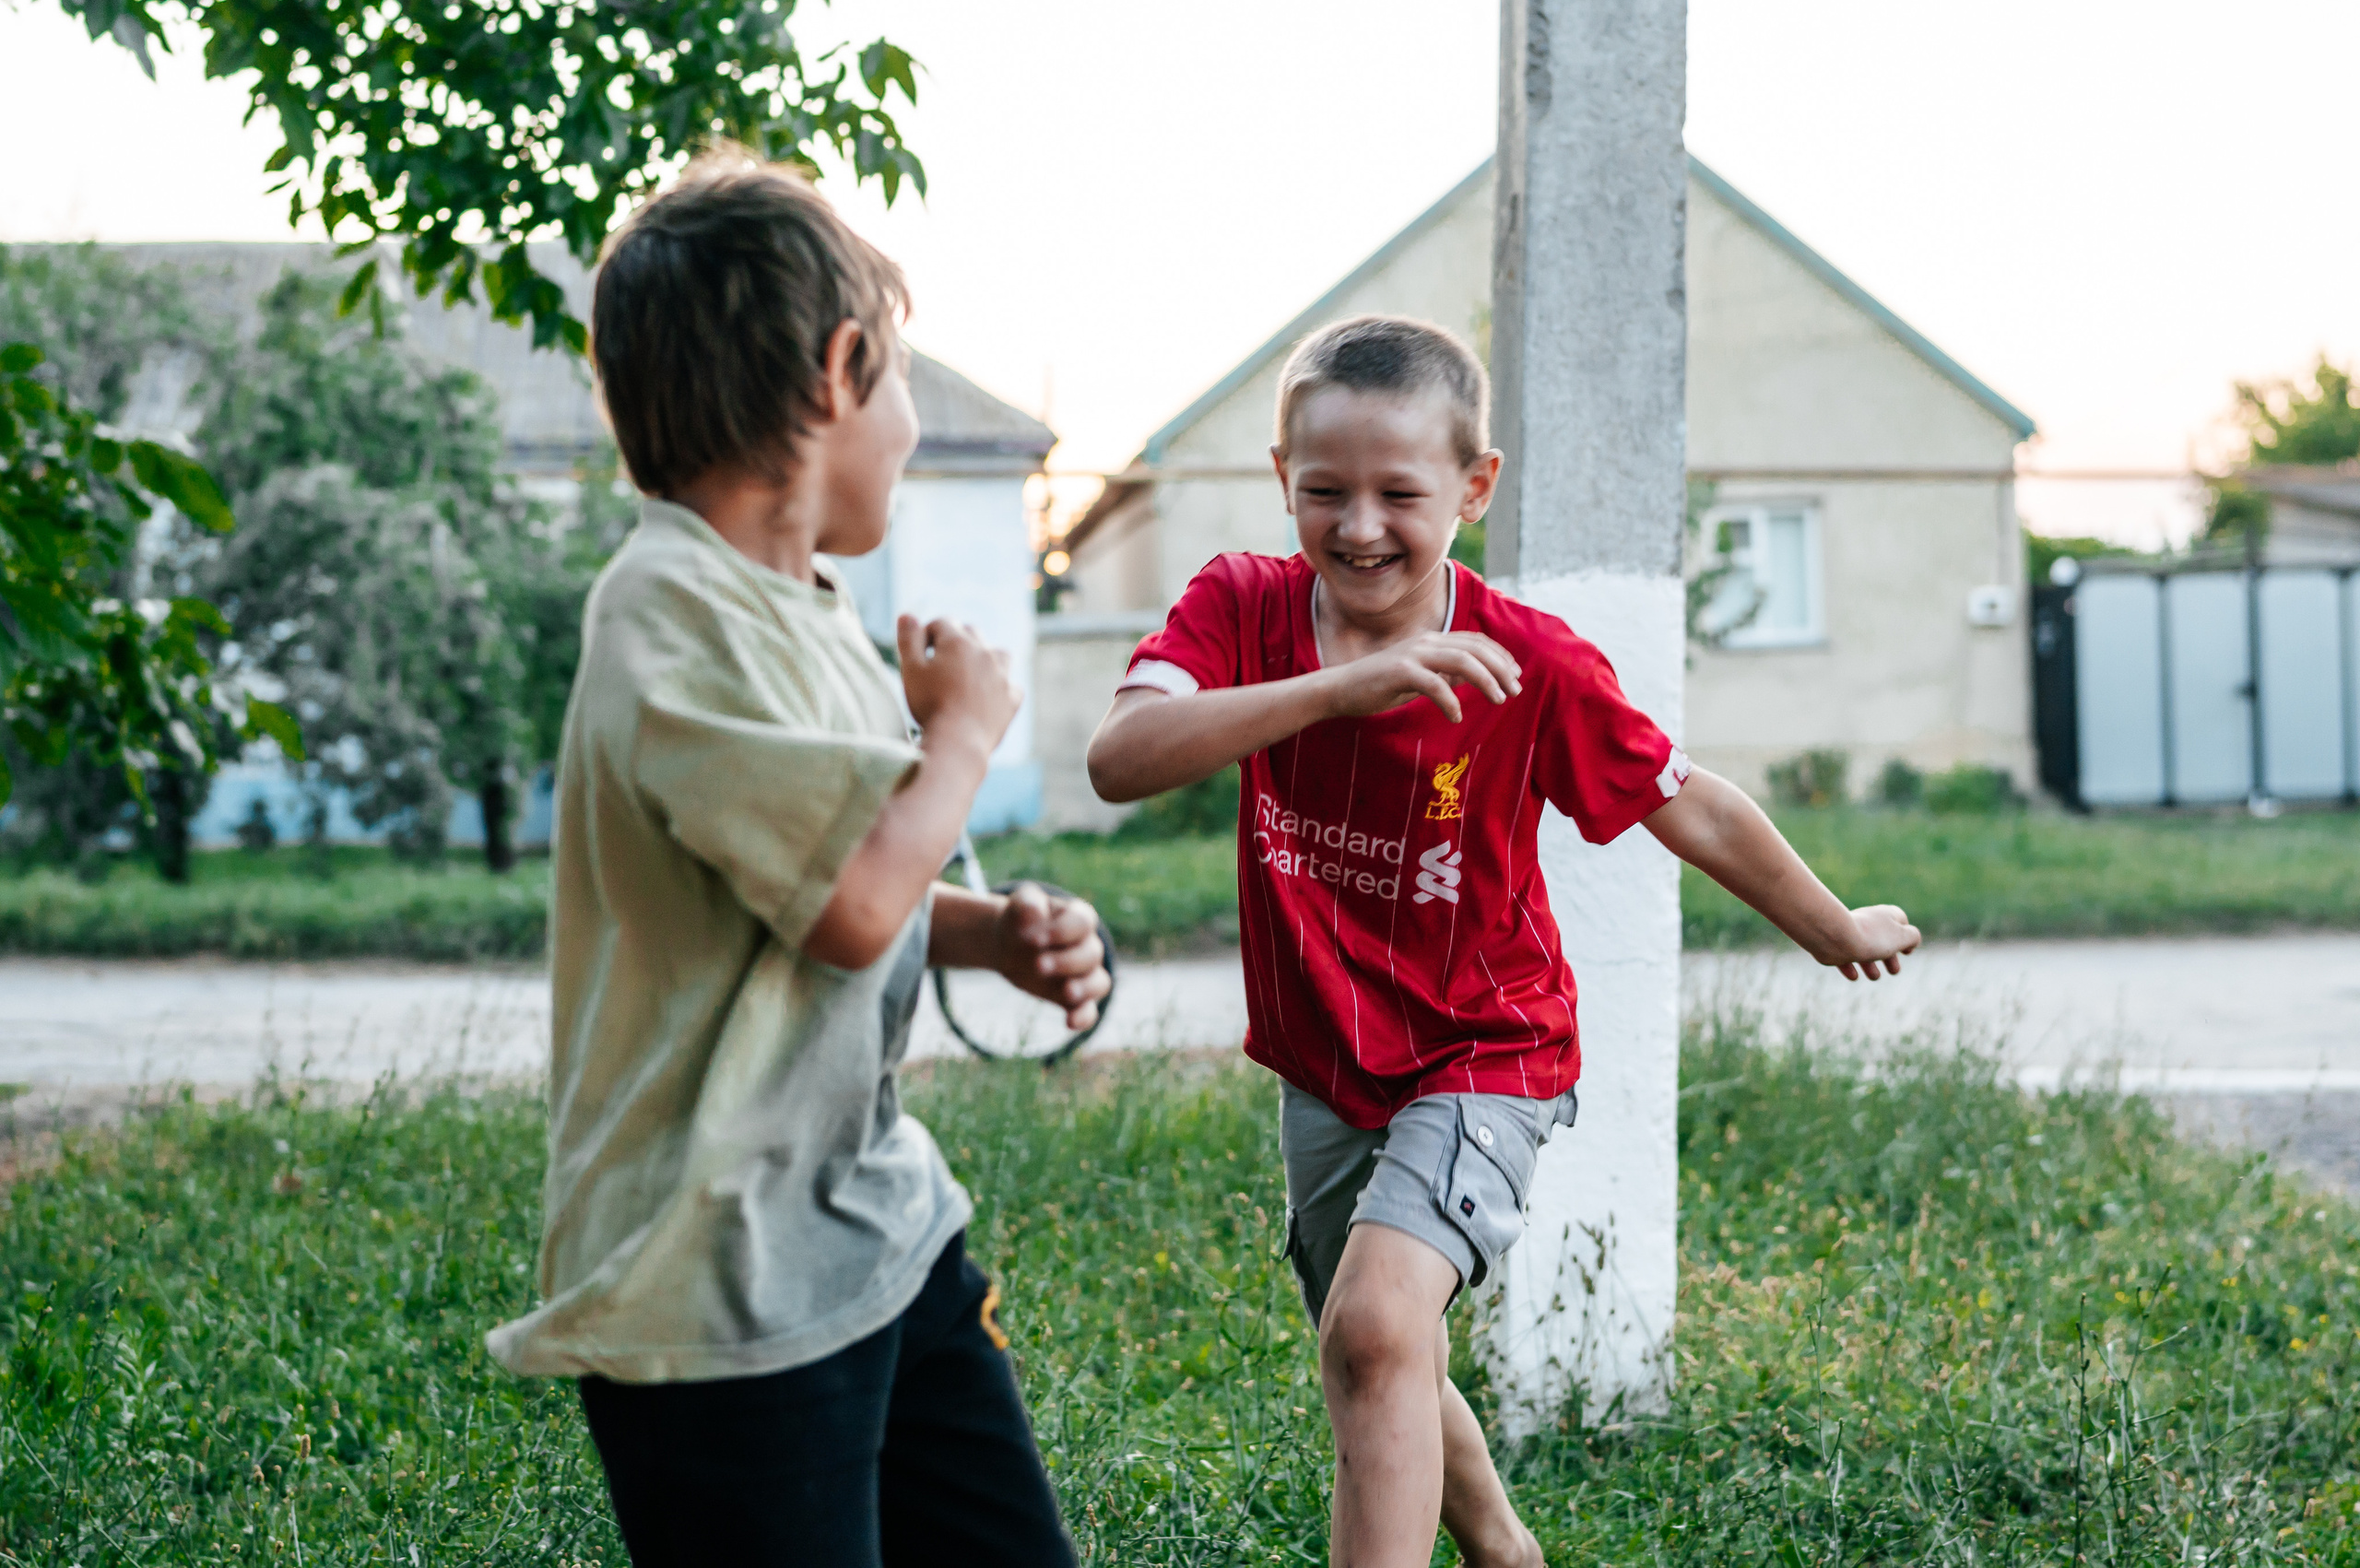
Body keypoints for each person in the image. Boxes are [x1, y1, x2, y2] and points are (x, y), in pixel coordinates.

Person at [1086, 314, 1919, 1568]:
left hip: (1487, 1050)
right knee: (1372, 1341)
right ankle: (1503, 1548)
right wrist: (1338, 690)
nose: (1360, 525)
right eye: (1326, 492)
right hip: (1324, 1057)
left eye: (1399, 494)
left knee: (1375, 1327)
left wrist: (1830, 925)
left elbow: (1685, 800)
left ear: (1474, 488)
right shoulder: (1239, 607)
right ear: (1282, 481)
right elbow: (1120, 760)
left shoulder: (1528, 662)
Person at [485, 147, 1106, 1568]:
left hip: (875, 1230)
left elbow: (831, 876)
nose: (905, 423)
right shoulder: (664, 613)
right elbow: (843, 906)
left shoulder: (797, 608)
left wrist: (985, 932)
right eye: (898, 386)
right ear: (840, 371)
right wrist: (962, 736)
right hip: (716, 1291)